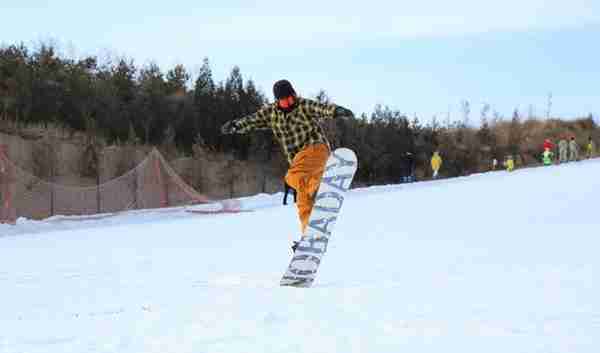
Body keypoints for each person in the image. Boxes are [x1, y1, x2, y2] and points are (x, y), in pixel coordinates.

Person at [221, 79, 354, 251]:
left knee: (292, 177)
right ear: (278, 100)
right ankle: (311, 237)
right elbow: (252, 121)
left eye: (292, 97)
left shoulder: (303, 105)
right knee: (302, 200)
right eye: (285, 99)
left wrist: (337, 110)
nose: (290, 102)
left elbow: (321, 108)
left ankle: (319, 187)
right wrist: (234, 126)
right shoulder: (270, 113)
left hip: (315, 149)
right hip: (299, 160)